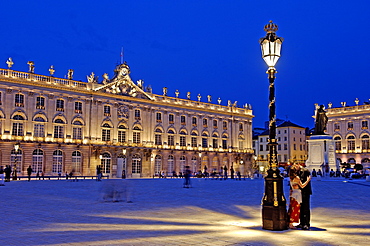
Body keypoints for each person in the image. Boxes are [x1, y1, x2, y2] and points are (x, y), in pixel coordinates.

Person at [296, 164, 312, 230]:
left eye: (295, 166)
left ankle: (306, 223)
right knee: (302, 207)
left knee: (305, 207)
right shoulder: (300, 171)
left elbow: (302, 182)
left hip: (305, 192)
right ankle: (302, 223)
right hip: (302, 192)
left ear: (298, 165)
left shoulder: (304, 171)